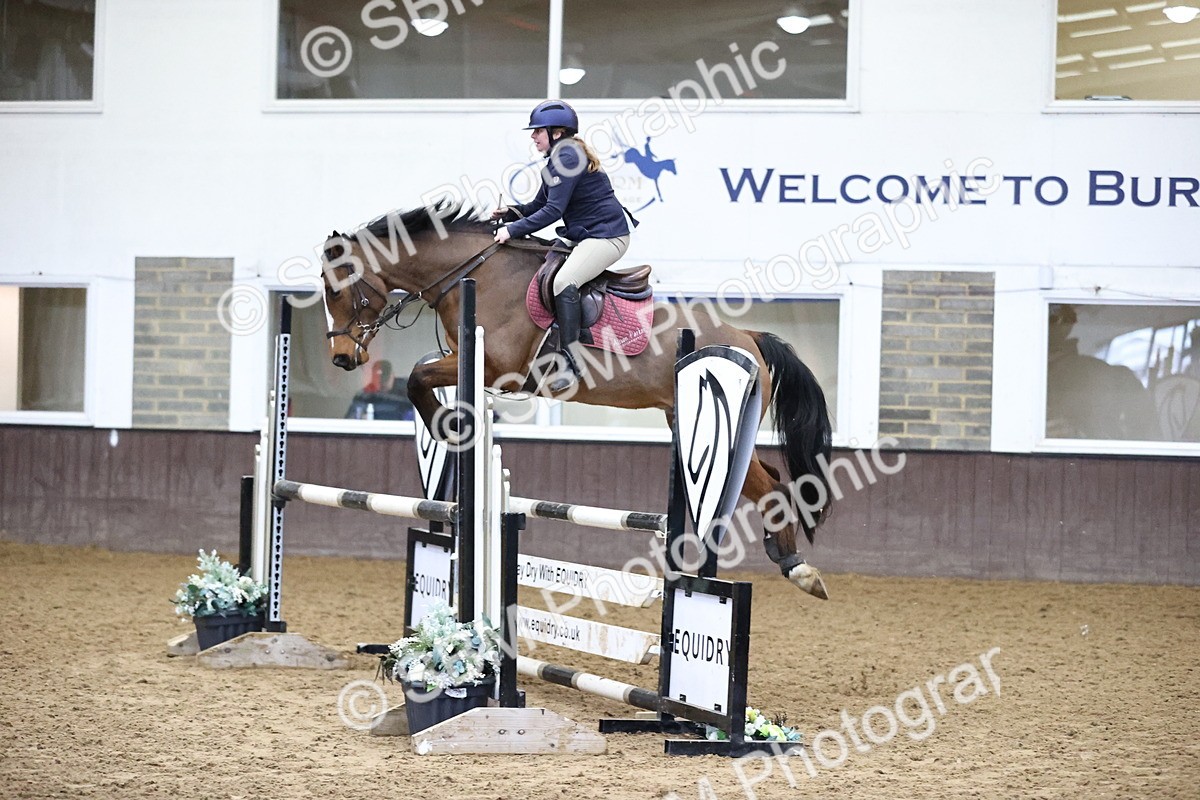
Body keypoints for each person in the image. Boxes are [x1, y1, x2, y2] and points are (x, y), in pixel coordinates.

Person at [492, 99, 635, 392]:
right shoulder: (560, 157)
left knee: (564, 282)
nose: (533, 137)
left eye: (537, 132)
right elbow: (539, 205)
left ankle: (572, 362)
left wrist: (512, 230)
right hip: (587, 235)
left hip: (607, 237)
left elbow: (552, 213)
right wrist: (510, 213)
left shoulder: (568, 157)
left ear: (557, 132)